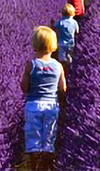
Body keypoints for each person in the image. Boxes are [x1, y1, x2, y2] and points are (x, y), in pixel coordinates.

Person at [20, 26, 66, 171]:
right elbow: (63, 88)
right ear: (53, 45)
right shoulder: (58, 66)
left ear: (35, 44)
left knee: (33, 136)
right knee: (49, 135)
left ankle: (34, 165)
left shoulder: (31, 65)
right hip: (51, 105)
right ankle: (47, 165)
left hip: (33, 104)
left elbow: (24, 86)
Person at [52, 4, 80, 71]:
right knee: (69, 54)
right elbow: (77, 31)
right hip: (71, 43)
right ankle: (69, 67)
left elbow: (54, 28)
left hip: (61, 43)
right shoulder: (74, 22)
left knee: (61, 57)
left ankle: (62, 68)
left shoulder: (60, 22)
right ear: (73, 14)